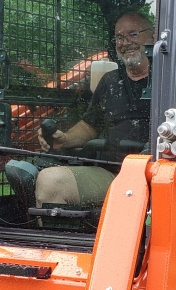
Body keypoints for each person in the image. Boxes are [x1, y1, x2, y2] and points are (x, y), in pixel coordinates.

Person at [35, 13, 154, 208]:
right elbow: (89, 127)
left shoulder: (171, 79)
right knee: (51, 181)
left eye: (133, 34)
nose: (125, 43)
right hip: (113, 175)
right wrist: (63, 138)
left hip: (160, 175)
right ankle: (60, 239)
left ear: (153, 36)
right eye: (119, 38)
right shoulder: (110, 81)